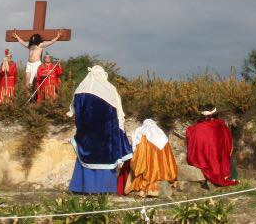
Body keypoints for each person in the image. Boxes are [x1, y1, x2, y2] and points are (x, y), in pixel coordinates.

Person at [67, 66, 133, 194]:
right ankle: (104, 189)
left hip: (87, 134)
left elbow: (74, 110)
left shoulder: (81, 89)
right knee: (104, 160)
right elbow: (118, 114)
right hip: (105, 136)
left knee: (86, 159)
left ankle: (82, 187)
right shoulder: (109, 89)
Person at [185, 105, 238, 188]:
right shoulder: (221, 125)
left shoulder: (193, 129)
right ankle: (231, 177)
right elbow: (227, 143)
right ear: (215, 114)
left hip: (200, 159)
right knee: (228, 159)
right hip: (218, 159)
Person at [124, 118, 177, 196]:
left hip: (147, 167)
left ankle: (145, 188)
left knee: (144, 172)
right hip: (161, 169)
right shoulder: (161, 134)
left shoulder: (142, 133)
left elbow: (138, 154)